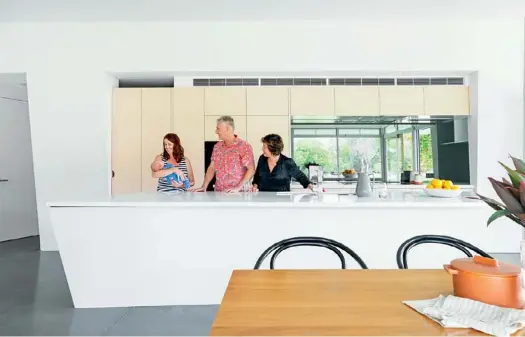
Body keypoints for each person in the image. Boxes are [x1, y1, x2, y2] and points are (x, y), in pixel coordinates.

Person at [189, 115, 255, 193]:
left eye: (218, 129)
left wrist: (238, 188)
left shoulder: (244, 146)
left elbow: (251, 169)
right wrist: (204, 186)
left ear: (227, 129)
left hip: (238, 194)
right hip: (219, 193)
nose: (216, 132)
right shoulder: (217, 147)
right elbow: (212, 168)